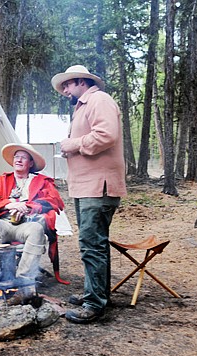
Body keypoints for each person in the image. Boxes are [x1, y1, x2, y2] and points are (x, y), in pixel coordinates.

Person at [51, 65, 127, 323]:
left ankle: (94, 305)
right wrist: (71, 148)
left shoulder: (99, 100)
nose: (64, 91)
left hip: (98, 186)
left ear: (81, 81)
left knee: (92, 244)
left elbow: (106, 135)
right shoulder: (83, 106)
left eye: (67, 86)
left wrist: (73, 144)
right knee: (94, 244)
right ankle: (97, 294)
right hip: (87, 185)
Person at [0, 143, 64, 304]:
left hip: (28, 223)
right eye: (16, 157)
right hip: (5, 223)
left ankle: (23, 280)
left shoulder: (41, 181)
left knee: (36, 229)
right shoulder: (2, 180)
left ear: (31, 163)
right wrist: (9, 204)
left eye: (23, 158)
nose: (18, 160)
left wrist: (28, 207)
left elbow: (54, 201)